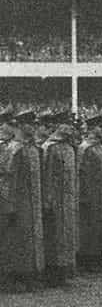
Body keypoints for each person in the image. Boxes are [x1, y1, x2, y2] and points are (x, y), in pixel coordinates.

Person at [0, 114, 44, 292]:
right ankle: (12, 277)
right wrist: (8, 204)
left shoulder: (33, 148)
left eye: (34, 124)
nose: (33, 127)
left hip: (32, 201)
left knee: (30, 239)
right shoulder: (14, 149)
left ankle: (28, 274)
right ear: (21, 126)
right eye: (29, 124)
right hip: (17, 202)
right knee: (15, 241)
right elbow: (7, 178)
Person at [41, 115, 78, 286]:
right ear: (58, 126)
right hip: (55, 197)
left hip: (68, 197)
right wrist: (48, 199)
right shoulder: (50, 147)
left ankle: (65, 269)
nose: (70, 129)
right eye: (66, 125)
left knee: (67, 235)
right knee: (55, 235)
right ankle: (53, 272)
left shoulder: (70, 147)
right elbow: (46, 174)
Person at [77, 115, 102, 270]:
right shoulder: (85, 148)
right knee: (88, 224)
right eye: (99, 127)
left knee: (100, 223)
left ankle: (99, 255)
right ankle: (87, 258)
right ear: (92, 129)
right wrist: (83, 193)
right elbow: (81, 172)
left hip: (101, 191)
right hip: (89, 191)